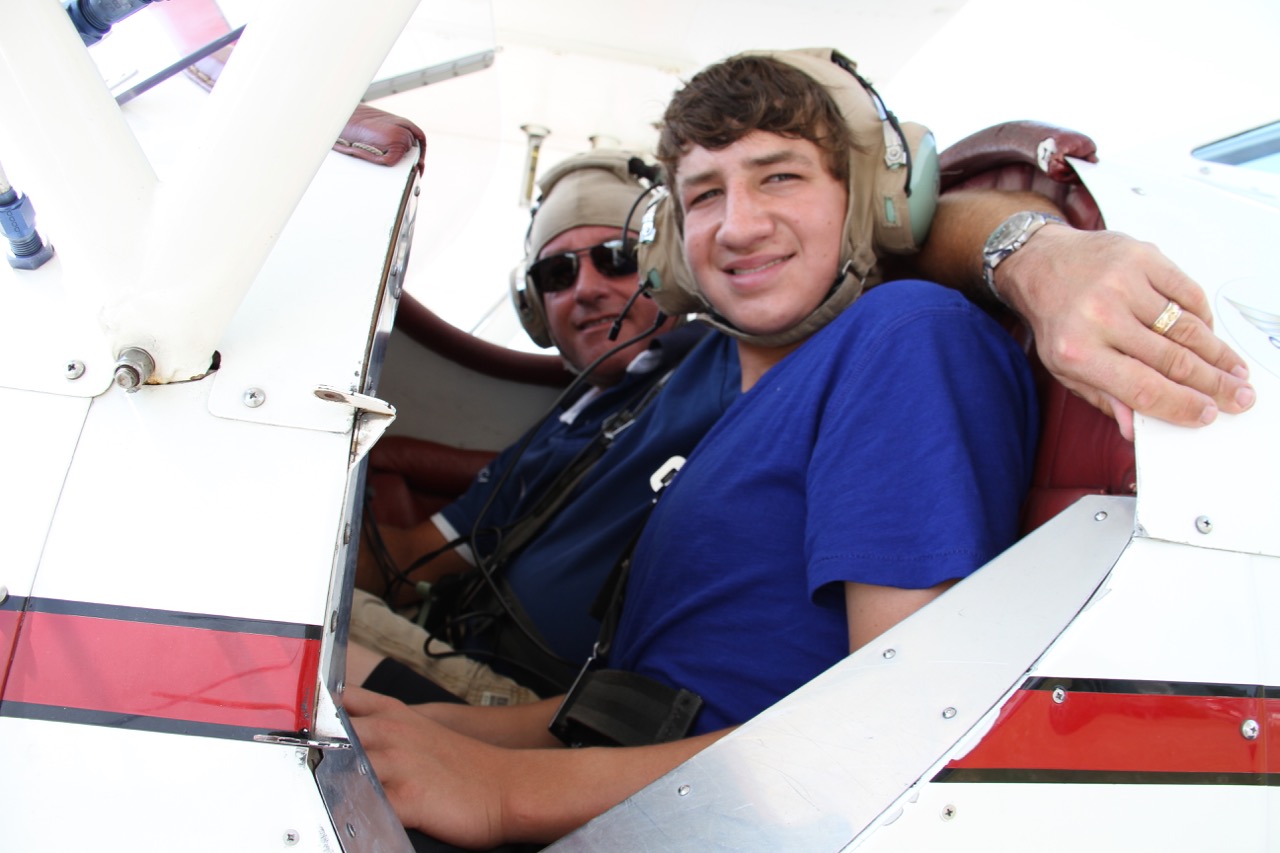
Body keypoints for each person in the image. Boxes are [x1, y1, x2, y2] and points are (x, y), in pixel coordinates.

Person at [342, 47, 1199, 850]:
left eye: (780, 176)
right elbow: (646, 699)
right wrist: (451, 734)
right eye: (705, 194)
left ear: (863, 201)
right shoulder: (739, 406)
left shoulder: (903, 342)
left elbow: (898, 730)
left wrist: (500, 791)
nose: (738, 225)